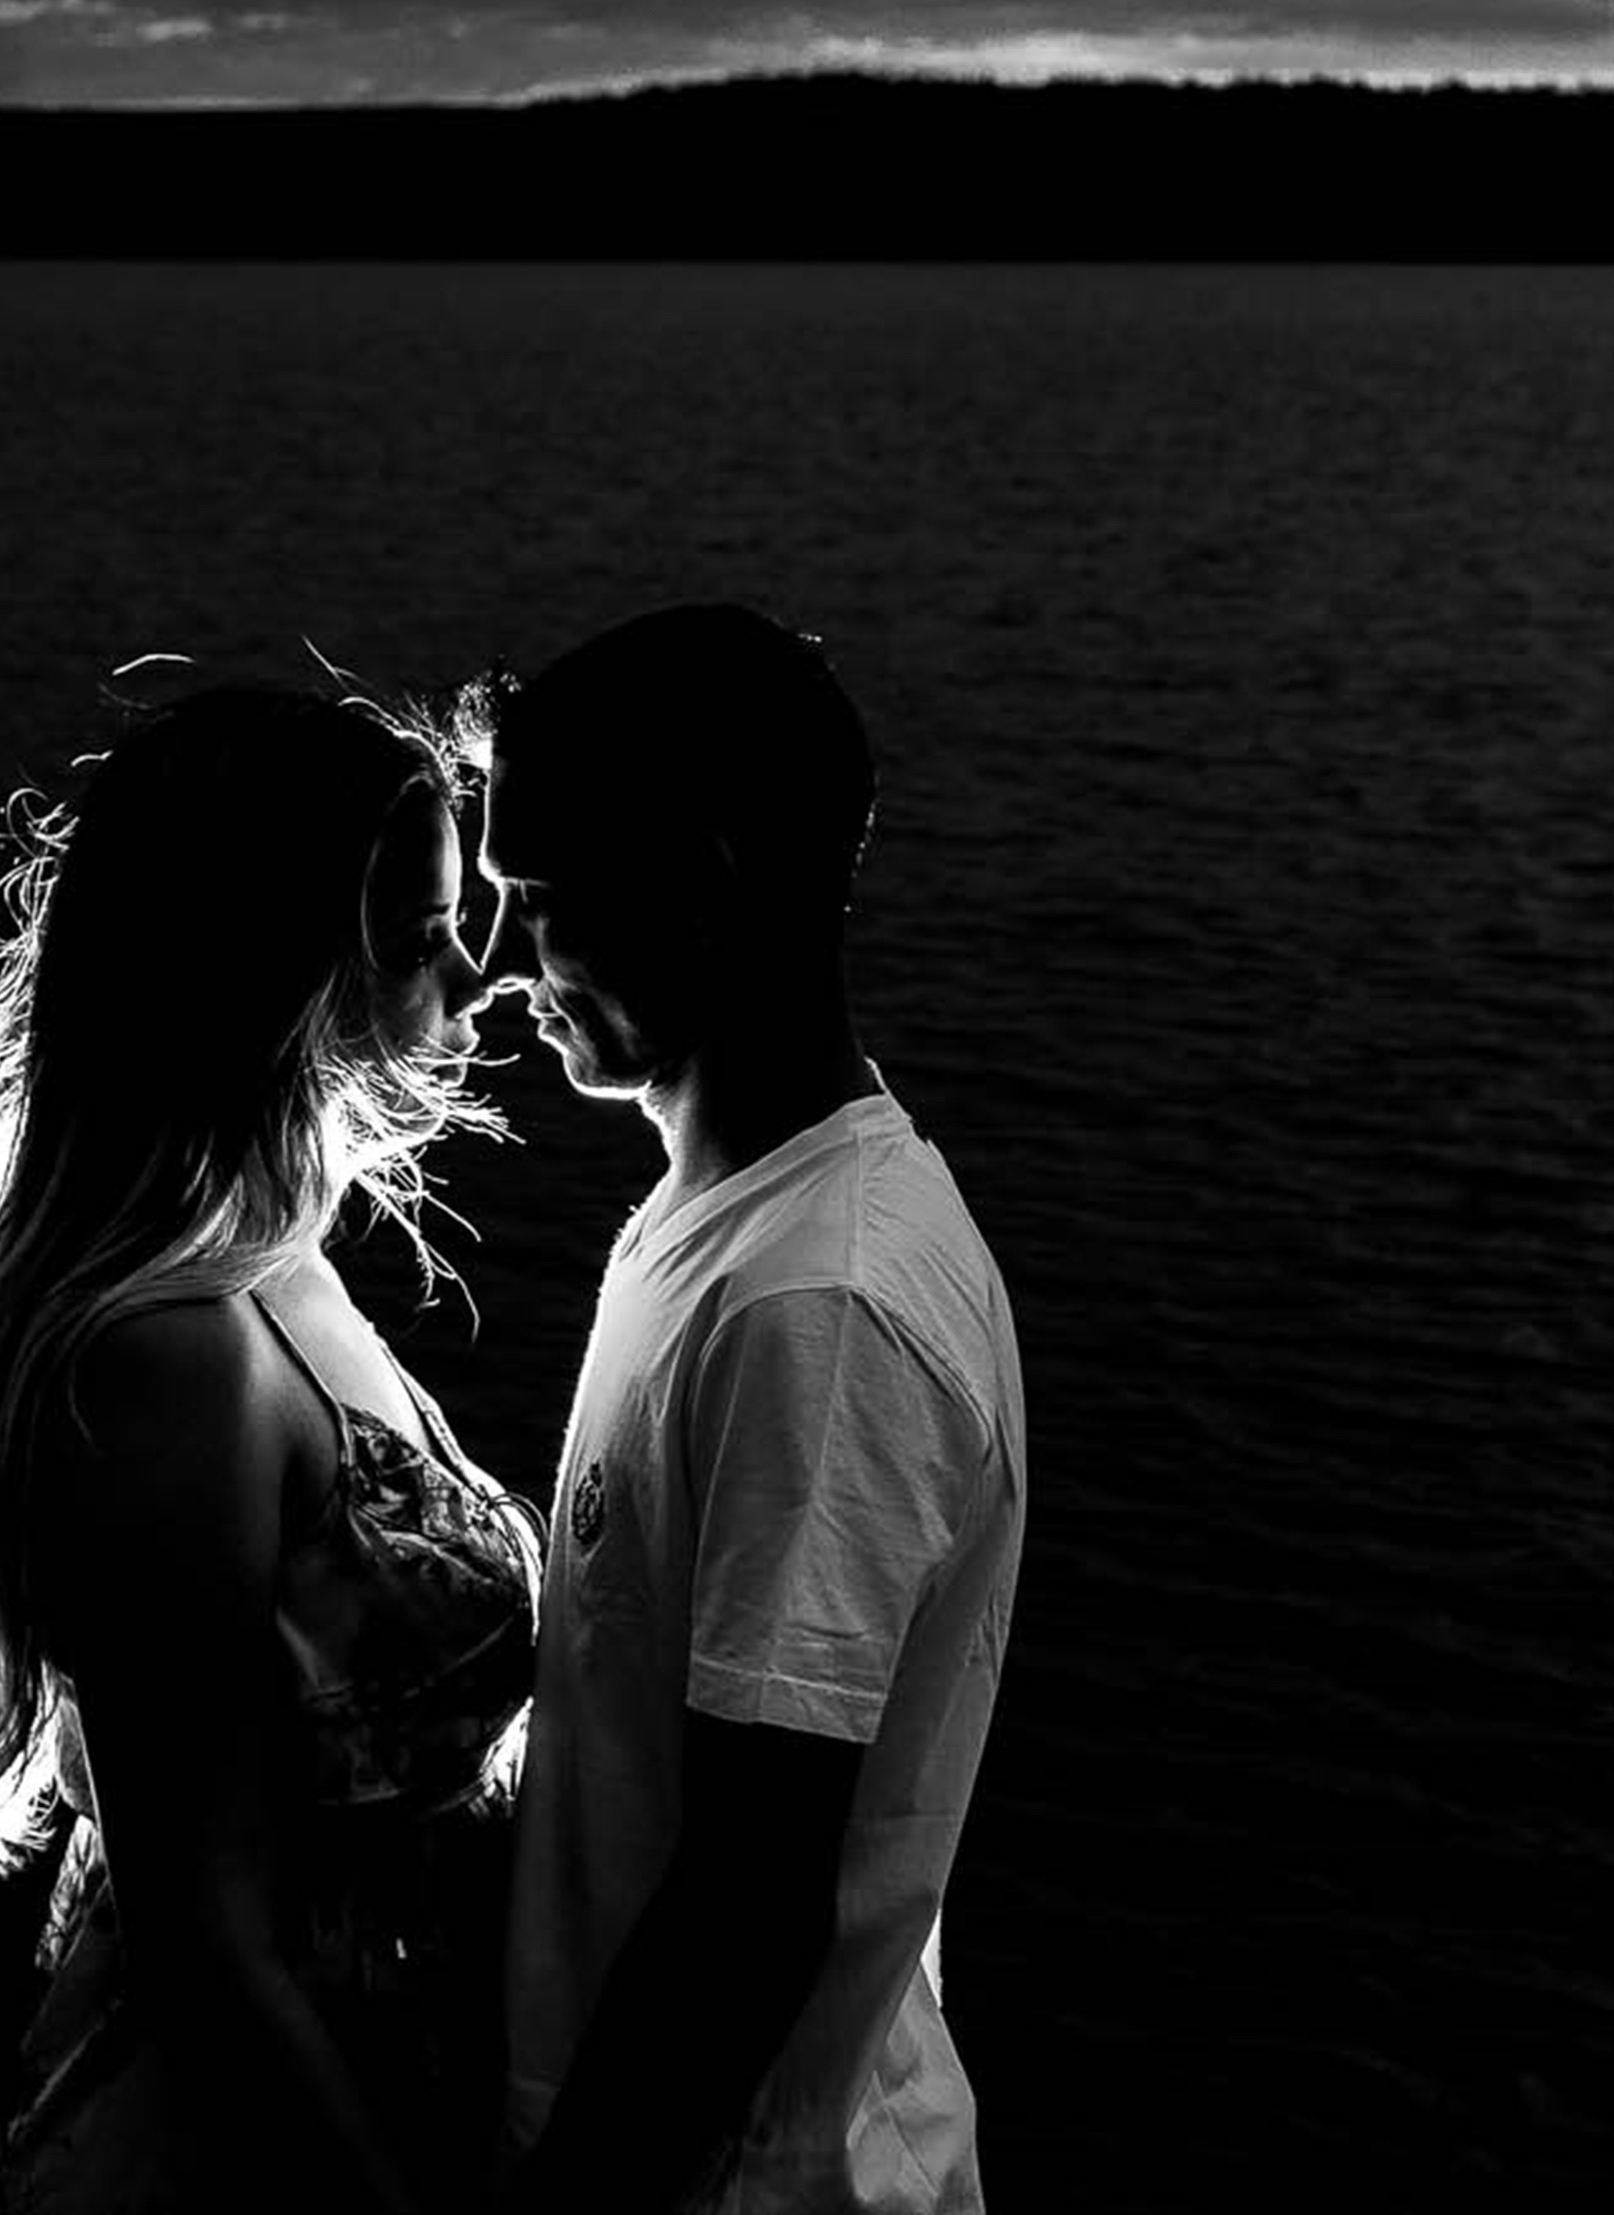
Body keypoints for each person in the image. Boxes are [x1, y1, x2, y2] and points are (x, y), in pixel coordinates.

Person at [0, 679, 540, 2214]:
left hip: (400, 2059)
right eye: (425, 926)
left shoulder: (277, 1256)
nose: (478, 966)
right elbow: (203, 1945)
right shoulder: (166, 1361)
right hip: (257, 2145)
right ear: (284, 962)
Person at [471, 607, 1026, 2215]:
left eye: (543, 904)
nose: (508, 970)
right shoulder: (723, 1219)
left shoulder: (820, 1308)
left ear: (701, 894)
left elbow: (751, 1901)